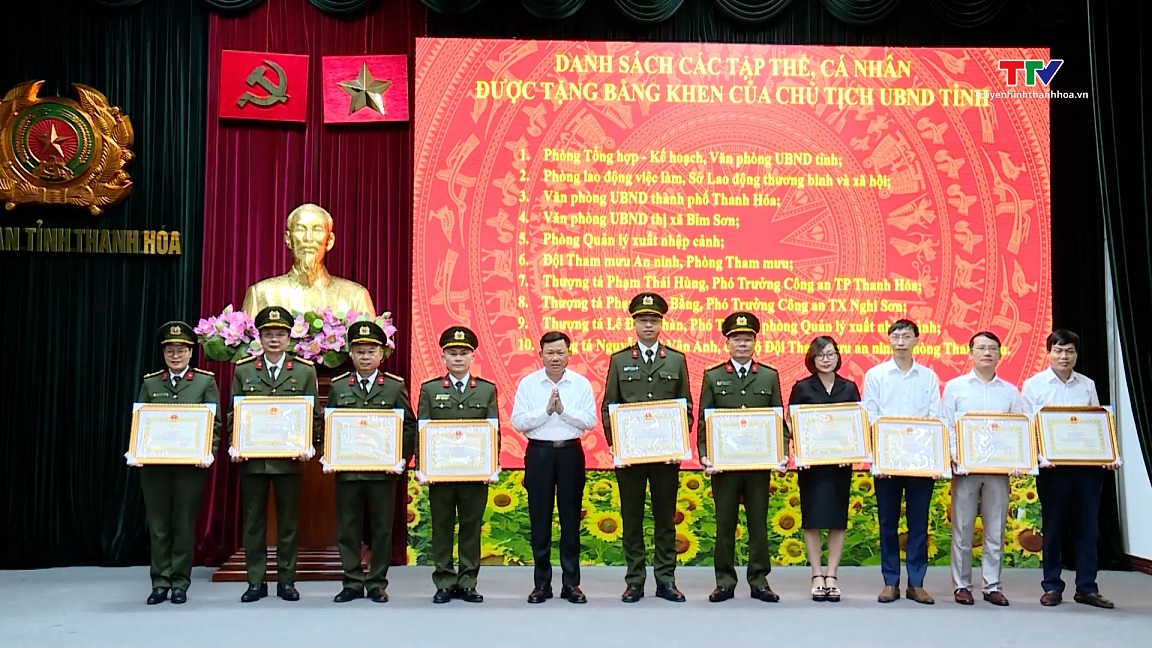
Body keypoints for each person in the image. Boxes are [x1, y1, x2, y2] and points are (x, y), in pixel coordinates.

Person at [601, 292, 693, 603]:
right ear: (635, 324)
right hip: (631, 459)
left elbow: (687, 407)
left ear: (662, 323)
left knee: (665, 519)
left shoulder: (676, 360)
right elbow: (609, 407)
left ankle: (666, 579)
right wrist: (619, 446)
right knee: (632, 519)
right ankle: (635, 580)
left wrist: (677, 439)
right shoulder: (620, 360)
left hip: (666, 456)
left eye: (654, 320)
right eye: (643, 320)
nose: (649, 325)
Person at [1022, 329, 1121, 609]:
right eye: (1058, 351)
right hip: (1052, 469)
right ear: (1048, 353)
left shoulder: (1087, 384)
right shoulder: (1034, 385)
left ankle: (1087, 587)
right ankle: (1052, 586)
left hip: (1087, 469)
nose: (1064, 356)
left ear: (1076, 354)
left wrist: (1108, 453)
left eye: (1069, 351)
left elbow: (1096, 425)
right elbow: (1030, 426)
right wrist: (1041, 455)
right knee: (1053, 528)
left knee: (1088, 528)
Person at [231, 306, 320, 603]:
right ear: (259, 336)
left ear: (289, 337)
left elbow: (314, 416)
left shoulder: (304, 371)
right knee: (254, 521)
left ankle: (286, 580)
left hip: (289, 461)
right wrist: (236, 443)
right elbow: (235, 413)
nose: (273, 339)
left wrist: (310, 444)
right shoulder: (244, 370)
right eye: (268, 334)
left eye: (280, 334)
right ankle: (255, 580)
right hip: (253, 460)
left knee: (288, 522)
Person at [698, 312, 787, 603]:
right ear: (727, 342)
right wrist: (705, 456)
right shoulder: (713, 376)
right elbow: (704, 421)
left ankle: (759, 580)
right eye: (737, 338)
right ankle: (724, 581)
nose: (742, 344)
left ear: (754, 342)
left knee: (758, 524)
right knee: (725, 524)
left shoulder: (768, 375)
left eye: (747, 338)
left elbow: (778, 419)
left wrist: (782, 454)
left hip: (758, 466)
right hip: (724, 466)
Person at [130, 321, 220, 605]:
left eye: (181, 350)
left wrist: (209, 451)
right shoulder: (150, 382)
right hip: (154, 466)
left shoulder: (205, 382)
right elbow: (141, 420)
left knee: (183, 524)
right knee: (158, 526)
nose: (175, 355)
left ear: (191, 353)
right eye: (170, 350)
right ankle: (159, 582)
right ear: (163, 353)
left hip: (190, 467)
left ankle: (180, 581)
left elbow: (214, 424)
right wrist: (136, 450)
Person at [325, 322, 416, 604]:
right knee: (348, 528)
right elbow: (329, 425)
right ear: (350, 354)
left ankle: (377, 582)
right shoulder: (339, 386)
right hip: (349, 471)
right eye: (360, 351)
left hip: (382, 472)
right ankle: (351, 581)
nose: (365, 357)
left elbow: (409, 426)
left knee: (381, 528)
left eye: (371, 351)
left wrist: (402, 459)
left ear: (382, 354)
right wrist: (330, 454)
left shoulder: (393, 386)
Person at [510, 331, 597, 605]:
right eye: (550, 353)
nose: (555, 358)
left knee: (570, 519)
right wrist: (546, 411)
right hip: (539, 454)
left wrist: (563, 410)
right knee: (540, 519)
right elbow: (519, 422)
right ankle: (541, 584)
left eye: (560, 352)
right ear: (541, 355)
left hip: (570, 452)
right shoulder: (528, 384)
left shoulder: (580, 384)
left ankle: (571, 584)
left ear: (569, 354)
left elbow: (589, 421)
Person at [862, 319, 943, 605]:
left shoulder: (928, 377)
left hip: (921, 461)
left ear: (916, 340)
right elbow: (870, 417)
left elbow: (936, 418)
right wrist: (878, 459)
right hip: (887, 462)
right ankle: (890, 582)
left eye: (906, 336)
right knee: (887, 523)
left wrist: (932, 458)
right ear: (888, 340)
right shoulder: (876, 375)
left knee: (918, 523)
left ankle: (917, 583)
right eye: (895, 336)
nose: (900, 341)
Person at [416, 326, 499, 604]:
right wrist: (422, 466)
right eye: (453, 353)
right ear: (443, 357)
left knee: (470, 527)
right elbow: (423, 430)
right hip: (440, 473)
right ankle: (443, 580)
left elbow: (492, 431)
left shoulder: (486, 390)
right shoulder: (430, 389)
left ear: (472, 356)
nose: (459, 358)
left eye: (464, 353)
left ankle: (468, 581)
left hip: (474, 474)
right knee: (441, 526)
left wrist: (492, 465)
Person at [941, 331, 1024, 606]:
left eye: (992, 349)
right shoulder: (955, 387)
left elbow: (1018, 431)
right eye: (981, 348)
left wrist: (1017, 460)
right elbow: (947, 425)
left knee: (995, 530)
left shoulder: (1010, 392)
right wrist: (954, 455)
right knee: (962, 529)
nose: (987, 353)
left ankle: (992, 586)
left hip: (998, 472)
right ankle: (962, 585)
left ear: (1000, 354)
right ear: (970, 353)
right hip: (965, 470)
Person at [787, 336, 861, 603]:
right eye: (821, 355)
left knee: (837, 519)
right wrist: (800, 452)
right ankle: (817, 574)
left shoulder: (849, 387)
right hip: (812, 466)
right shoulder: (802, 388)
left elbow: (856, 424)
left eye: (831, 354)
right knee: (813, 518)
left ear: (838, 357)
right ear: (812, 359)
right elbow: (793, 424)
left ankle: (832, 574)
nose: (826, 359)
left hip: (841, 465)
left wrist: (852, 451)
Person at [241, 203, 375, 317]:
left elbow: (372, 346)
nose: (308, 238)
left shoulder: (355, 296)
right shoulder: (261, 294)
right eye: (300, 229)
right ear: (288, 239)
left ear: (329, 240)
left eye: (317, 229)